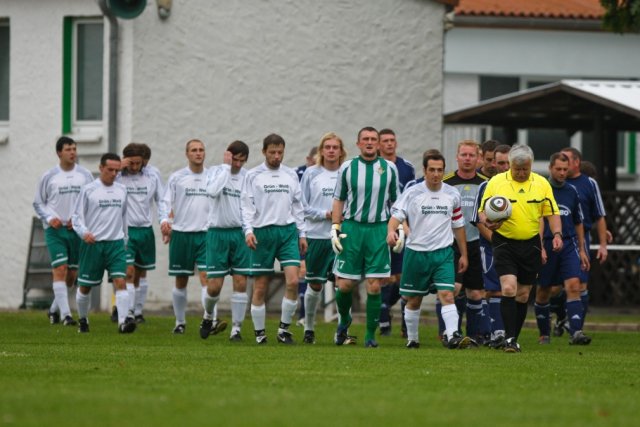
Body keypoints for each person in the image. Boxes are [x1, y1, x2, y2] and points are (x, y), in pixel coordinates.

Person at [478, 143, 563, 353]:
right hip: (504, 242)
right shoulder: (496, 182)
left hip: (531, 243)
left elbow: (551, 213)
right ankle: (508, 339)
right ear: (510, 165)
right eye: (517, 169)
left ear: (531, 165)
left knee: (523, 295)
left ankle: (513, 338)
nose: (522, 173)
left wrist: (557, 234)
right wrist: (488, 222)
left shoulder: (542, 184)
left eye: (525, 169)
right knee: (508, 288)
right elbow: (482, 212)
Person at [387, 152, 471, 349]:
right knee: (414, 299)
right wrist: (391, 231)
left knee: (447, 295)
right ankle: (413, 339)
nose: (436, 174)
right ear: (424, 170)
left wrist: (464, 254)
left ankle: (453, 335)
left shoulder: (452, 194)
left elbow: (458, 225)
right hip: (416, 253)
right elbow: (396, 216)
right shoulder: (412, 192)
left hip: (443, 253)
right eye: (432, 170)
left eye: (439, 170)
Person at [331, 126, 399, 348]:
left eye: (373, 139)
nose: (369, 142)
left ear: (378, 144)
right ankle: (344, 320)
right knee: (345, 285)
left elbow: (396, 203)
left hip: (378, 230)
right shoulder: (347, 167)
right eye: (365, 139)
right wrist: (335, 227)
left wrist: (397, 228)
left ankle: (370, 336)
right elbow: (338, 199)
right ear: (358, 143)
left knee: (374, 286)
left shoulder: (389, 168)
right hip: (352, 229)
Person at [241, 133, 307, 344]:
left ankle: (283, 330)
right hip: (262, 233)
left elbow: (298, 206)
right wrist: (248, 231)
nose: (276, 156)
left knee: (293, 281)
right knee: (261, 286)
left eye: (280, 152)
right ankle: (260, 333)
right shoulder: (253, 175)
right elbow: (246, 207)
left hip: (287, 232)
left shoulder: (291, 174)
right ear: (264, 152)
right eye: (272, 152)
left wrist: (302, 233)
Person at [160, 139, 224, 334]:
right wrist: (164, 221)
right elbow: (166, 202)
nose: (198, 153)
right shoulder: (177, 177)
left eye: (201, 150)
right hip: (181, 234)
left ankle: (211, 320)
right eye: (194, 150)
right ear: (187, 154)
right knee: (181, 280)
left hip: (206, 235)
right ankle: (180, 322)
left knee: (207, 278)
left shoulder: (212, 176)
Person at [72, 153, 135, 333]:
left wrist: (125, 239)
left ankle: (123, 323)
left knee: (120, 281)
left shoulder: (122, 190)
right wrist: (84, 233)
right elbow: (76, 217)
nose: (114, 174)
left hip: (116, 244)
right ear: (101, 168)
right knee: (85, 287)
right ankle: (83, 320)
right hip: (93, 245)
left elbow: (124, 216)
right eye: (110, 170)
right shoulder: (88, 190)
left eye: (117, 170)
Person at [34, 136, 93, 326]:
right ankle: (66, 316)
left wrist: (80, 221)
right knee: (60, 269)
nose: (72, 152)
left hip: (75, 230)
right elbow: (38, 203)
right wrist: (50, 218)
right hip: (55, 230)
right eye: (68, 149)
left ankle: (53, 310)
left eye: (74, 149)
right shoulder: (49, 176)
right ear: (59, 153)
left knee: (71, 275)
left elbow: (91, 200)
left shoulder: (85, 175)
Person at [535, 153, 591, 345]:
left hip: (568, 243)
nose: (561, 173)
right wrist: (540, 246)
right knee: (544, 290)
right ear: (550, 168)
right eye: (558, 169)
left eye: (565, 170)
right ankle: (544, 334)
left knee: (574, 285)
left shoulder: (572, 191)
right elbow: (537, 220)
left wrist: (582, 249)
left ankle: (576, 333)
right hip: (547, 243)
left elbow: (578, 222)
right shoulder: (541, 189)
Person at [199, 140, 251, 342]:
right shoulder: (216, 171)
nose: (237, 164)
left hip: (239, 234)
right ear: (228, 156)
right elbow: (212, 191)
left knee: (240, 281)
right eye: (234, 159)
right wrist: (226, 168)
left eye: (241, 161)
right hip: (217, 234)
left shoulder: (248, 177)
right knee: (214, 286)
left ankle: (236, 329)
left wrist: (249, 231)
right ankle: (207, 316)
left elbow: (250, 206)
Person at [299, 132, 347, 344]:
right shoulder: (311, 173)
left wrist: (344, 216)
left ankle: (342, 331)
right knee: (315, 285)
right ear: (321, 151)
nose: (331, 151)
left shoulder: (347, 173)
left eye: (335, 147)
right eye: (327, 147)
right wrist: (326, 214)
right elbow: (301, 206)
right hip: (317, 236)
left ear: (341, 151)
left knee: (343, 284)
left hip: (341, 236)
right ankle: (309, 328)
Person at [441, 140, 490, 345]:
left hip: (477, 242)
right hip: (451, 243)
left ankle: (473, 335)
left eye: (471, 155)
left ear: (478, 158)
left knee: (476, 292)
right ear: (457, 157)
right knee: (452, 288)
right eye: (464, 155)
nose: (467, 159)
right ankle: (448, 332)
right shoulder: (446, 183)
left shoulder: (487, 183)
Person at [558, 147, 609, 338]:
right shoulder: (553, 184)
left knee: (579, 285)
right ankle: (560, 316)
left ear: (576, 162)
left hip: (580, 239)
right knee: (553, 288)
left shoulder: (589, 183)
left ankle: (576, 327)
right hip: (555, 238)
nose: (562, 166)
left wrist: (603, 244)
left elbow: (599, 215)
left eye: (566, 160)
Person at [116, 143, 164, 323]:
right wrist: (118, 168)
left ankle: (137, 310)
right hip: (125, 231)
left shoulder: (152, 175)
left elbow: (161, 200)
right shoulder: (118, 175)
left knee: (140, 273)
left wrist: (164, 222)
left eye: (139, 163)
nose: (135, 167)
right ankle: (127, 312)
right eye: (132, 163)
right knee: (128, 272)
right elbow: (102, 187)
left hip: (145, 230)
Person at [471, 143, 511, 348]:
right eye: (500, 163)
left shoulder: (522, 187)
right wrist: (496, 240)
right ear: (494, 163)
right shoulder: (485, 187)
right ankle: (497, 333)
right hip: (491, 246)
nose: (504, 167)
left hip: (518, 245)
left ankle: (508, 332)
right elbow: (478, 219)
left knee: (514, 290)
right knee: (494, 289)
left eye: (508, 163)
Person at [377, 128, 415, 337]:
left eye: (392, 140)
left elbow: (410, 198)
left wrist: (407, 226)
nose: (389, 144)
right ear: (379, 145)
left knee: (401, 276)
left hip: (401, 225)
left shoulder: (407, 168)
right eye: (385, 141)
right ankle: (384, 319)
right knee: (383, 275)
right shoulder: (375, 166)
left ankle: (394, 312)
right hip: (379, 225)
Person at [293, 146, 318, 327]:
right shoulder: (296, 174)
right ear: (308, 160)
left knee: (312, 274)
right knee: (302, 270)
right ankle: (302, 316)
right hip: (299, 229)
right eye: (314, 161)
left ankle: (307, 316)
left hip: (317, 231)